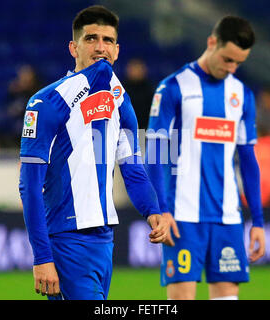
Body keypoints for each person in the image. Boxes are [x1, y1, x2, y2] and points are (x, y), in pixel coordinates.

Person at [18, 5, 169, 300]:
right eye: (91, 39)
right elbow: (29, 186)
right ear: (73, 47)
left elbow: (133, 168)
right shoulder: (47, 101)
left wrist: (153, 210)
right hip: (67, 239)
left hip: (104, 239)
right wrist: (42, 257)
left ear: (117, 49)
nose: (101, 47)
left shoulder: (120, 101)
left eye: (108, 40)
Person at [145, 16, 265, 300]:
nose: (231, 68)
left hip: (227, 217)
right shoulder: (173, 88)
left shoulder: (241, 95)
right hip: (181, 217)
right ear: (212, 42)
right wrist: (162, 209)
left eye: (238, 63)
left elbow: (248, 161)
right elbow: (155, 154)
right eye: (227, 59)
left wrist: (258, 221)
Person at [122, 58, 155, 130]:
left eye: (138, 69)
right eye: (133, 69)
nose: (136, 72)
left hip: (144, 129)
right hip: (124, 130)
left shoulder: (150, 90)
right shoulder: (121, 90)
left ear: (144, 70)